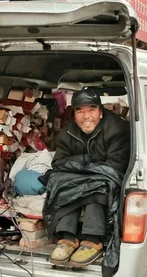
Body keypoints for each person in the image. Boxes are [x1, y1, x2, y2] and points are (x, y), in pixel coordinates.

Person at [47, 87, 130, 267]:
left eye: (91, 110)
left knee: (98, 184)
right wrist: (85, 161)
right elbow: (59, 163)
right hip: (84, 174)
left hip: (107, 178)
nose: (86, 116)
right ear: (74, 115)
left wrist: (83, 168)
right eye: (80, 111)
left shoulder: (116, 129)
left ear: (100, 112)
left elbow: (114, 166)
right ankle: (67, 237)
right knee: (60, 180)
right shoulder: (68, 132)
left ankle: (93, 239)